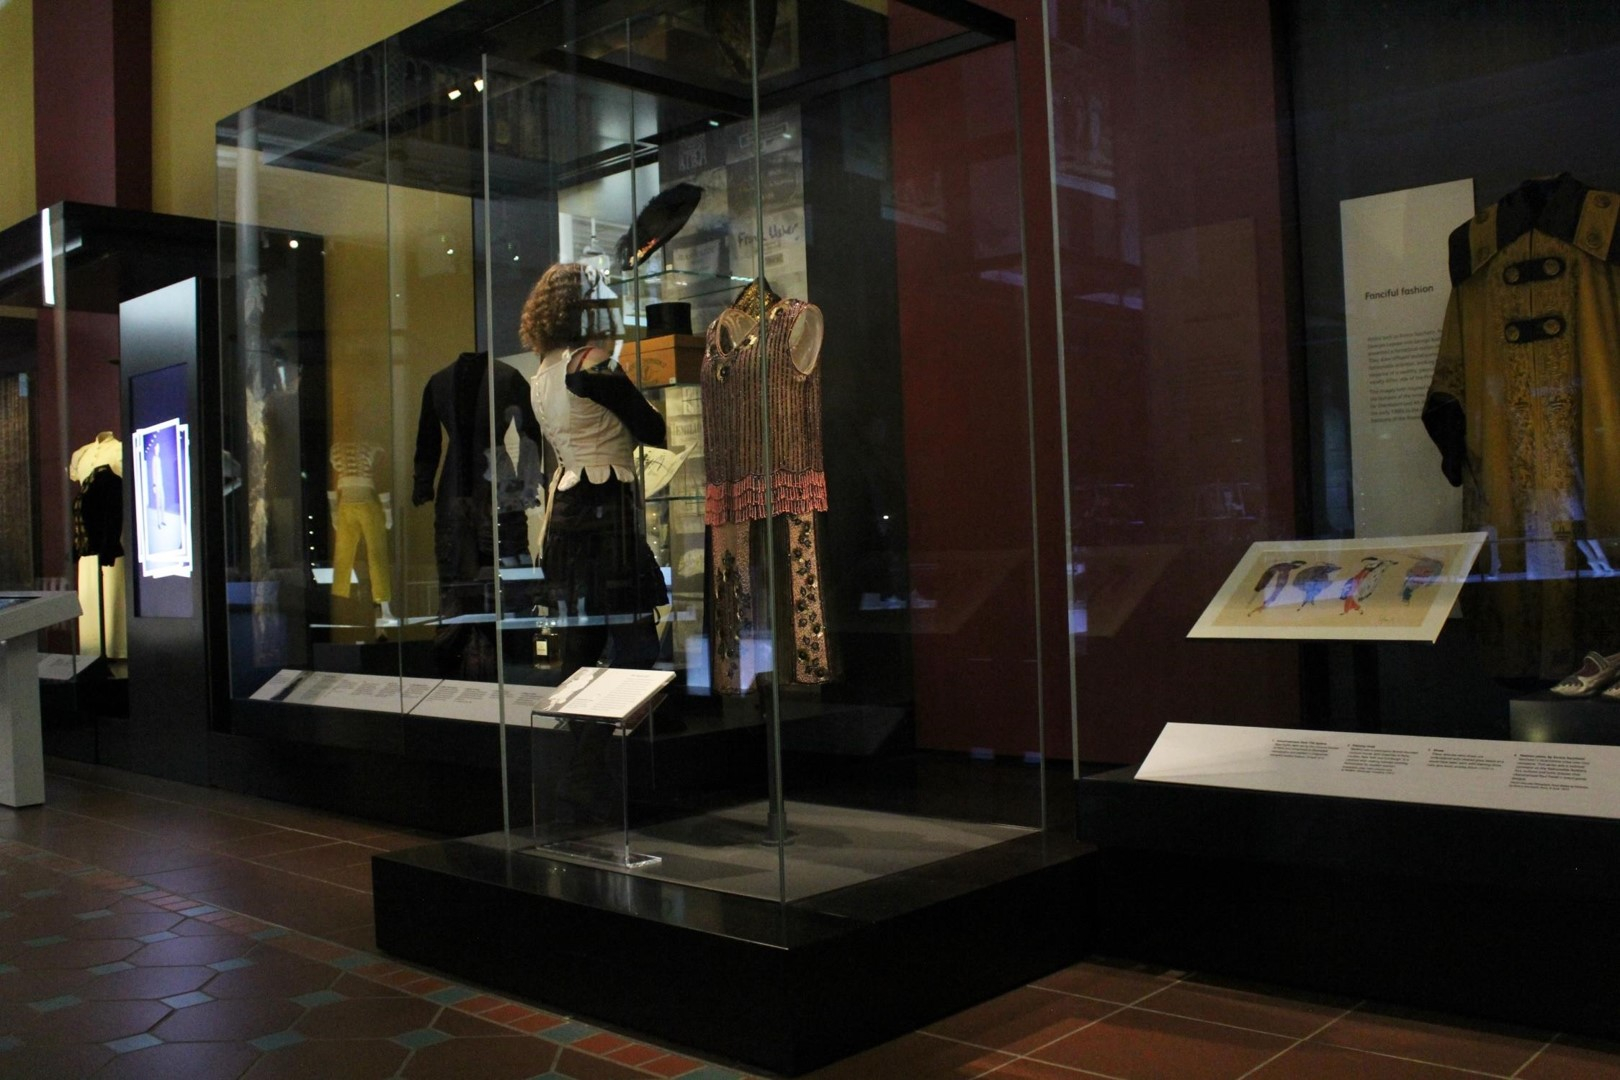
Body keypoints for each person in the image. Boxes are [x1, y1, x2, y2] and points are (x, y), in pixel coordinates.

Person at [521, 263, 670, 820]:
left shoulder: (544, 370)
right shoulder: (593, 363)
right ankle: (586, 768)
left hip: (567, 512)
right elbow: (652, 430)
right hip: (605, 511)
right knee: (636, 644)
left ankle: (578, 771)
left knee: (581, 646)